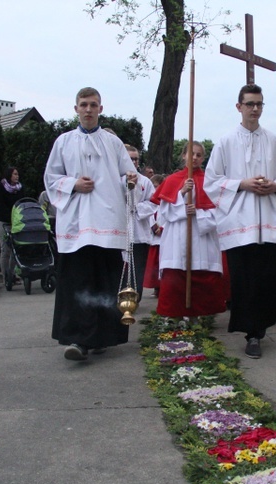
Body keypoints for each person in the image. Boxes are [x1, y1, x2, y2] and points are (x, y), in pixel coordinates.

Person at [43, 87, 139, 361]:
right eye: (83, 104)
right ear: (76, 109)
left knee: (105, 282)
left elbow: (126, 176)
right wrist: (73, 184)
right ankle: (78, 340)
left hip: (107, 224)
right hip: (76, 224)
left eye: (93, 105)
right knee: (78, 282)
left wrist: (128, 181)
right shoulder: (63, 142)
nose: (88, 109)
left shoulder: (113, 143)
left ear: (100, 108)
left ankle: (103, 338)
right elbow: (50, 179)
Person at [204, 83, 276, 359]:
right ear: (239, 107)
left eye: (259, 104)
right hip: (240, 223)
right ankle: (252, 333)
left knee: (270, 278)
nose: (255, 109)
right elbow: (212, 181)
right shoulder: (226, 142)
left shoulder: (274, 141)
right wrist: (242, 184)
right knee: (245, 280)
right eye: (250, 104)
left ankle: (263, 324)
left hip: (269, 223)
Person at [152, 141, 226, 320]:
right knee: (176, 275)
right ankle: (174, 314)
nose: (194, 158)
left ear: (203, 158)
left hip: (201, 236)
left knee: (201, 273)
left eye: (199, 155)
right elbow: (163, 213)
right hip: (177, 235)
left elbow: (219, 213)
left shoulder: (210, 182)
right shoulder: (172, 180)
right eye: (191, 154)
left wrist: (198, 214)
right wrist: (181, 195)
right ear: (183, 155)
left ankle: (200, 315)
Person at [124, 144, 156, 301]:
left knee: (137, 269)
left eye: (136, 159)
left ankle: (134, 300)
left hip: (139, 232)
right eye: (130, 159)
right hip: (121, 232)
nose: (134, 162)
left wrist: (137, 208)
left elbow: (154, 202)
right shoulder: (116, 179)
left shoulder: (145, 182)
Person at [0, 166, 24, 284]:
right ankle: (5, 276)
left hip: (16, 222)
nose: (17, 176)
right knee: (5, 250)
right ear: (9, 175)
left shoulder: (20, 188)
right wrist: (10, 216)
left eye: (17, 174)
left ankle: (12, 274)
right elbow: (0, 204)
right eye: (14, 174)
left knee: (15, 250)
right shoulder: (1, 187)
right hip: (4, 222)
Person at [143, 174, 165, 298]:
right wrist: (153, 226)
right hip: (154, 237)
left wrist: (162, 228)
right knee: (154, 265)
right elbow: (148, 215)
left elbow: (169, 217)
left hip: (163, 238)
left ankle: (162, 287)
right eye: (154, 187)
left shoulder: (166, 202)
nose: (156, 190)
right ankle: (156, 287)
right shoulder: (151, 202)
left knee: (162, 264)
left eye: (158, 187)